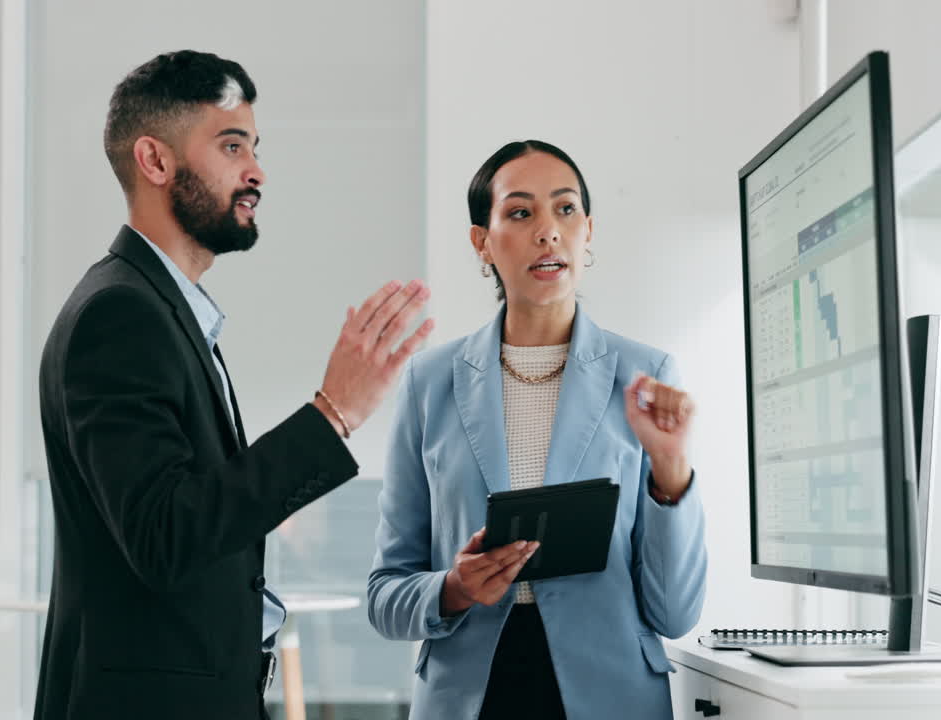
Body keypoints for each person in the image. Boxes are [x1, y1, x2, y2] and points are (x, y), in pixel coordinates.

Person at [34, 50, 433, 720]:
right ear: (155, 162)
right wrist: (333, 413)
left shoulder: (158, 309)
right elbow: (165, 536)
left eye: (253, 146)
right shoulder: (121, 315)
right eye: (230, 145)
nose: (256, 172)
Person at [367, 140, 708, 719]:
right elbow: (385, 595)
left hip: (610, 695)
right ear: (482, 240)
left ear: (589, 230)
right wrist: (454, 588)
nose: (548, 231)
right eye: (521, 212)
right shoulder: (429, 383)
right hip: (469, 698)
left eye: (566, 209)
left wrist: (672, 472)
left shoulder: (646, 379)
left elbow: (675, 613)